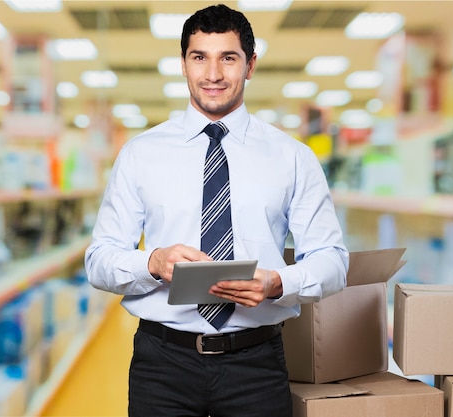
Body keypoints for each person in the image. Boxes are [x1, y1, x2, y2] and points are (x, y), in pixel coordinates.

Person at [84, 4, 348, 416]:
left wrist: (278, 283)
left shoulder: (293, 157)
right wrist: (152, 261)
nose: (212, 74)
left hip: (255, 365)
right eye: (199, 57)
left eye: (228, 58)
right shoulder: (140, 154)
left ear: (250, 65)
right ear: (183, 65)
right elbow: (98, 260)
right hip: (162, 364)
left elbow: (333, 261)